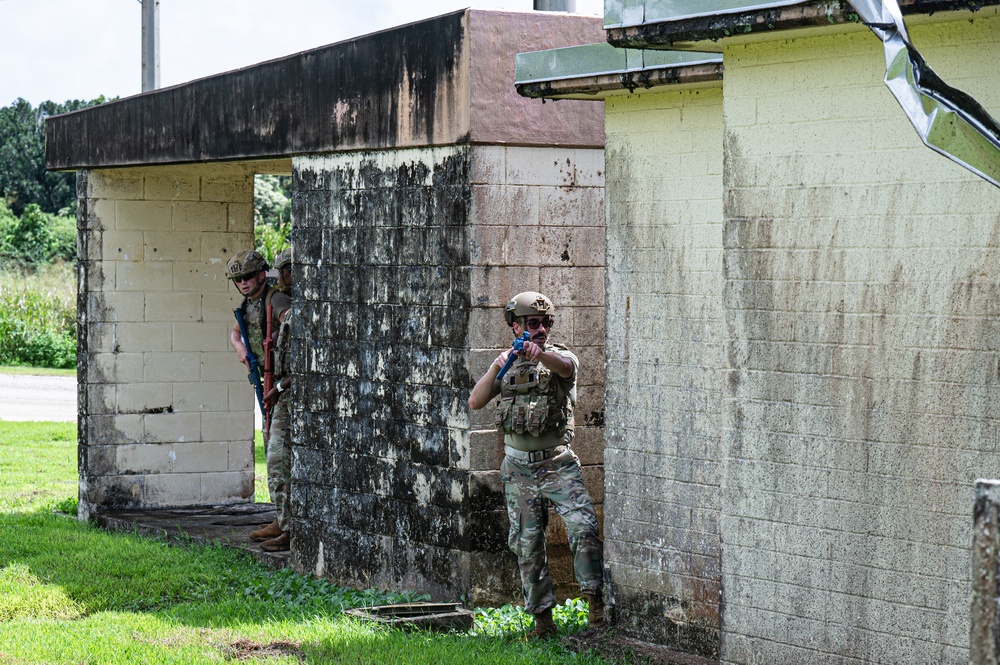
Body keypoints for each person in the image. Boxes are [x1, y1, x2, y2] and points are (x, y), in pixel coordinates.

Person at [468, 291, 605, 638]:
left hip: (557, 463)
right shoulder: (507, 363)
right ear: (516, 327)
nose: (541, 328)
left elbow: (567, 368)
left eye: (546, 323)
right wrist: (498, 365)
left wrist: (541, 354)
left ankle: (596, 609)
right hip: (518, 469)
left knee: (583, 528)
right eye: (533, 324)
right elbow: (475, 401)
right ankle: (542, 621)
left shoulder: (559, 358)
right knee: (527, 544)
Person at [226, 249, 291, 551]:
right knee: (272, 450)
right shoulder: (248, 305)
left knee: (277, 456)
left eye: (248, 276)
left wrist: (280, 338)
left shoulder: (273, 299)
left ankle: (288, 527)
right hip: (267, 384)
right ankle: (281, 518)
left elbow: (294, 323)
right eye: (238, 279)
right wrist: (240, 348)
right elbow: (236, 333)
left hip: (285, 386)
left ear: (262, 274)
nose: (243, 282)